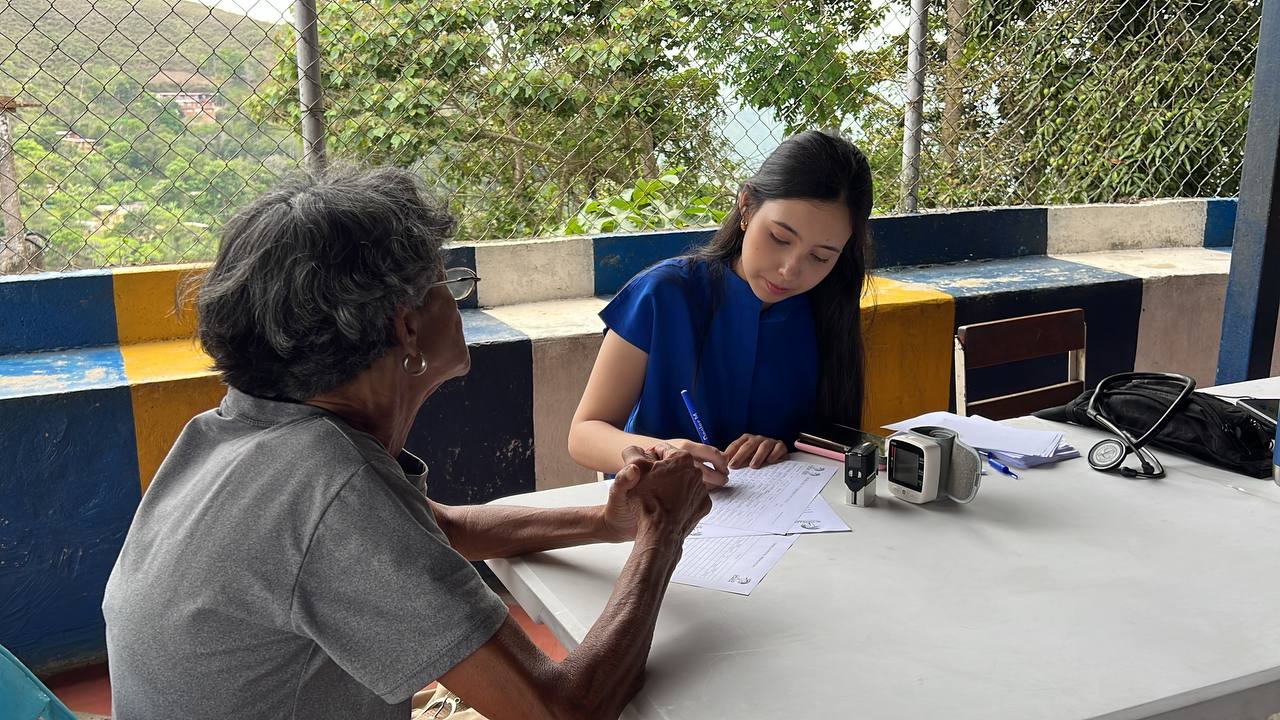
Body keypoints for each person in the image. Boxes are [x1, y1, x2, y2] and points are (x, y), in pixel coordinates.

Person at [102, 166, 711, 720]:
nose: (459, 301)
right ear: (409, 327)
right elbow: (563, 710)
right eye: (448, 283)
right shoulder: (327, 487)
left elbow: (428, 531)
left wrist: (608, 521)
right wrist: (661, 531)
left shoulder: (239, 435)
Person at [569, 130, 874, 485]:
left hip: (776, 518)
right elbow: (585, 433)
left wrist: (782, 449)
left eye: (821, 257)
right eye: (779, 237)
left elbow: (829, 445)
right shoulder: (664, 294)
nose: (790, 270)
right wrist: (663, 451)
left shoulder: (827, 311)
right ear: (746, 207)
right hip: (658, 508)